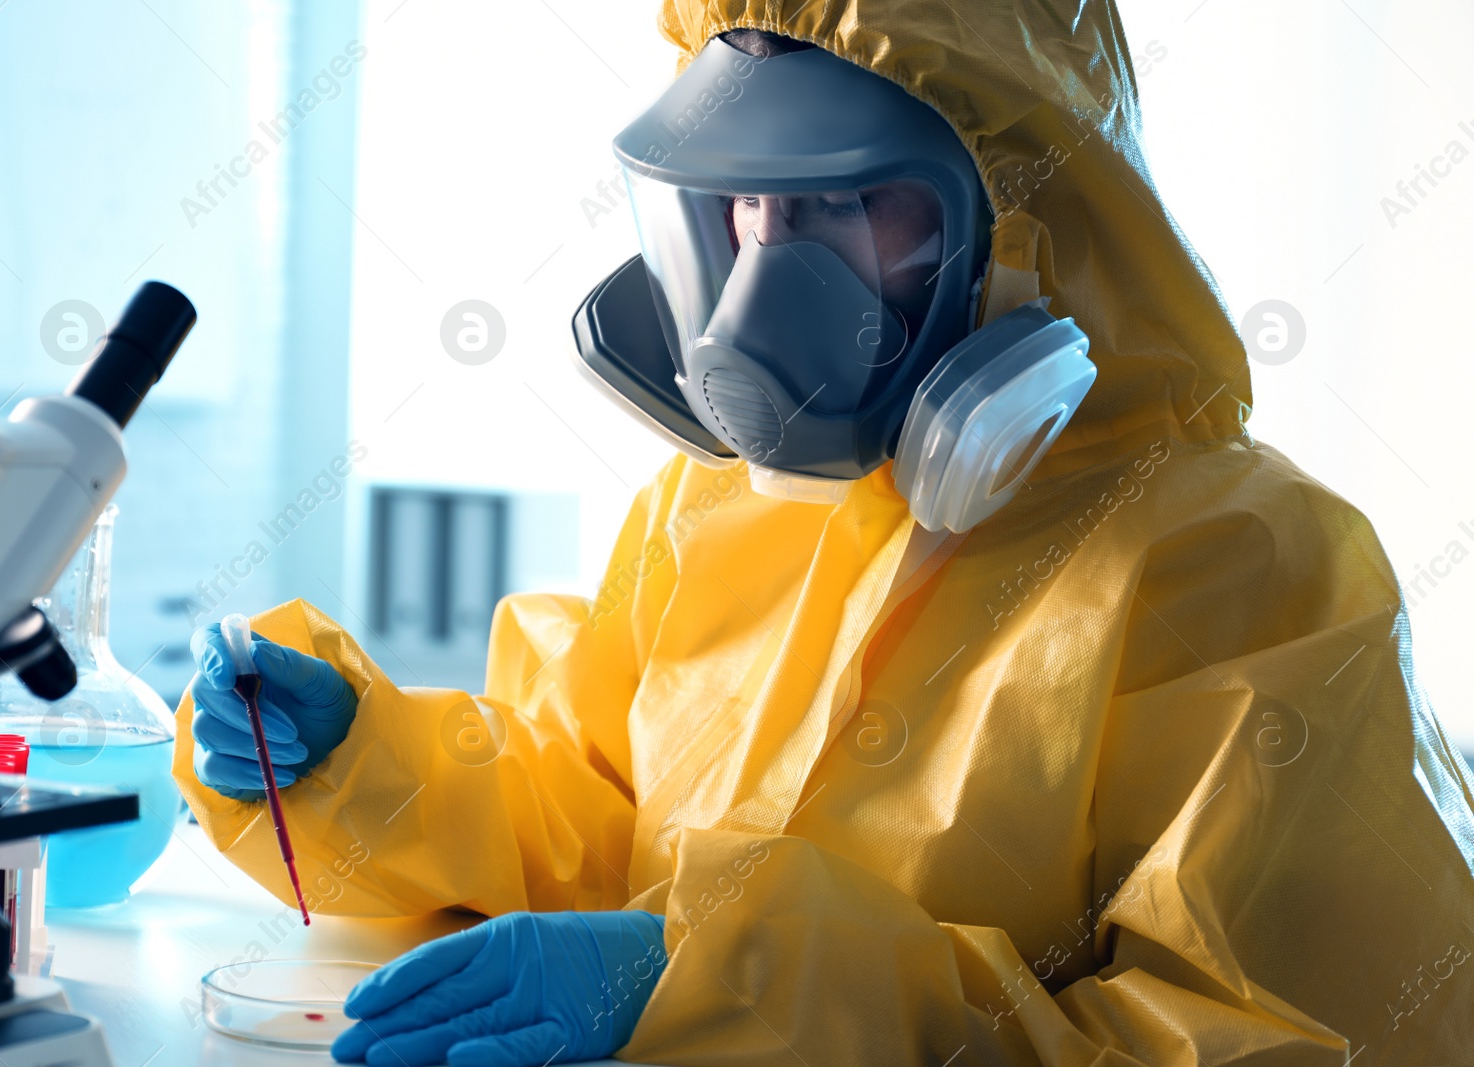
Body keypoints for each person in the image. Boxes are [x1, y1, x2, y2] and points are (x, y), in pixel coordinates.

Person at [176, 4, 1474, 1065]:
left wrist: (725, 984)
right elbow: (589, 821)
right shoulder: (721, 507)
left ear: (1022, 213)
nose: (759, 271)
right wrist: (357, 767)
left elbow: (1282, 1039)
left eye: (837, 205)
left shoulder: (1255, 568)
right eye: (740, 203)